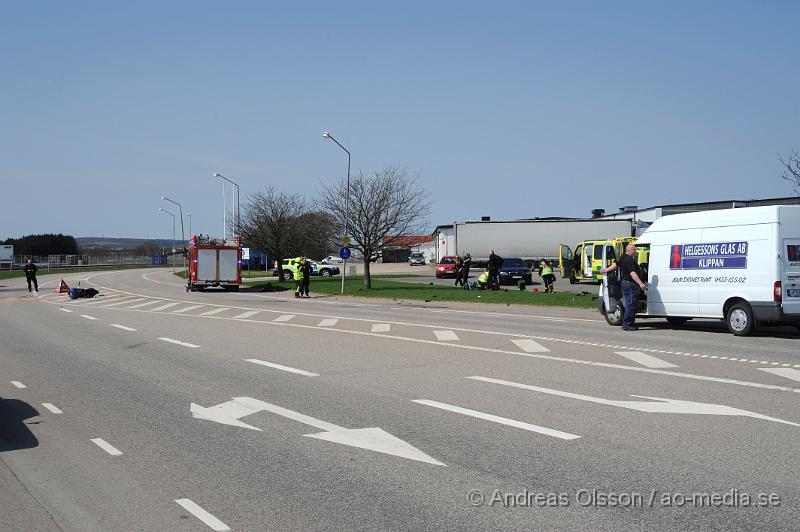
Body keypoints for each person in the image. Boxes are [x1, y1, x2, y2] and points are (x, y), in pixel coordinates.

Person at [600, 244, 646, 331]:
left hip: (627, 283)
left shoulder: (624, 257)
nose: (635, 251)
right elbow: (633, 274)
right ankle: (627, 324)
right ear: (628, 250)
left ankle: (631, 323)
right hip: (630, 284)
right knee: (631, 304)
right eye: (633, 250)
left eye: (635, 249)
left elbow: (615, 265)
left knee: (632, 304)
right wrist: (641, 284)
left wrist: (606, 270)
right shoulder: (629, 260)